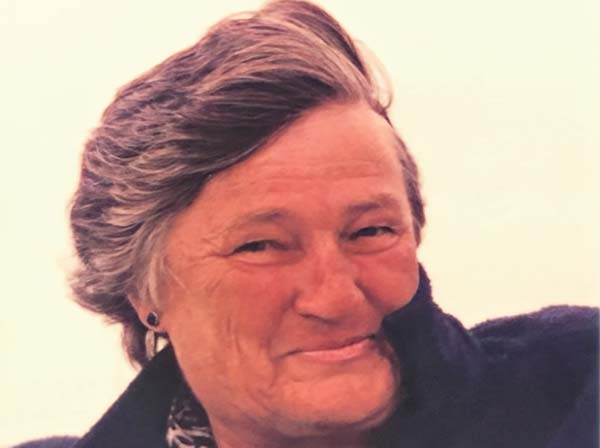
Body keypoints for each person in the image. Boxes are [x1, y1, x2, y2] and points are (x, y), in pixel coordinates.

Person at [15, 1, 598, 447]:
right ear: (144, 291)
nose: (335, 297)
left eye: (370, 232)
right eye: (262, 245)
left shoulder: (575, 390)